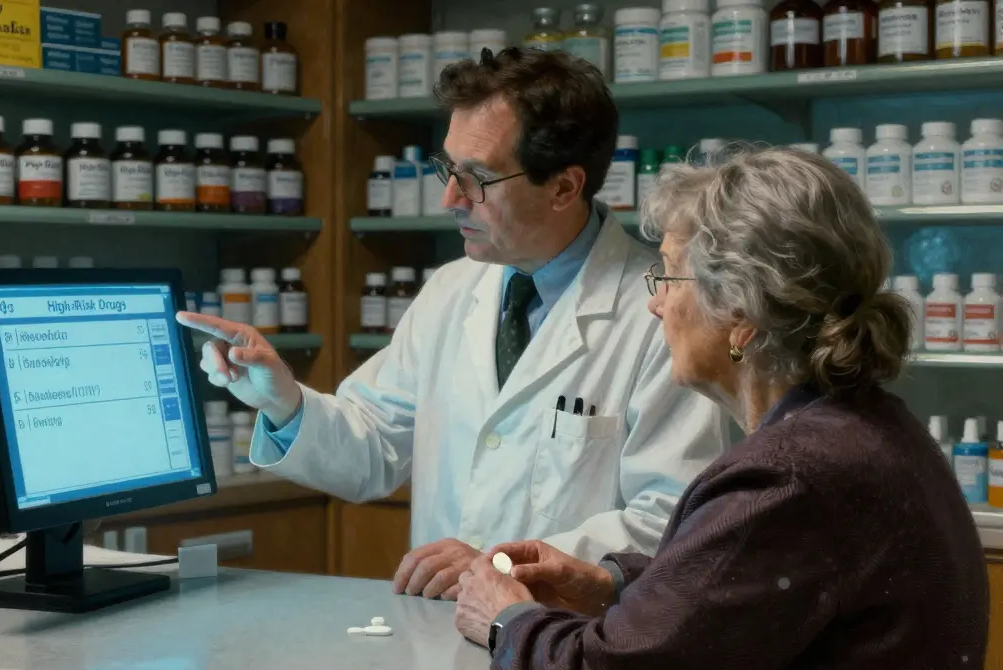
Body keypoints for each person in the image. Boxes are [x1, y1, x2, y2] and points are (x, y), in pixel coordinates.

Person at [453, 146, 997, 670]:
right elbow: (749, 593)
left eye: (667, 274)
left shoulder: (790, 476)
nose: (656, 304)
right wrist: (610, 583)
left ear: (740, 310)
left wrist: (506, 619)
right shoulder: (864, 427)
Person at [177, 48, 728, 599]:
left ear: (564, 187)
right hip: (441, 633)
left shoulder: (662, 309)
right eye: (449, 169)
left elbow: (673, 518)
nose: (450, 198)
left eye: (478, 178)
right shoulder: (451, 291)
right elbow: (372, 450)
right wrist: (282, 402)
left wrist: (503, 567)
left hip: (575, 645)